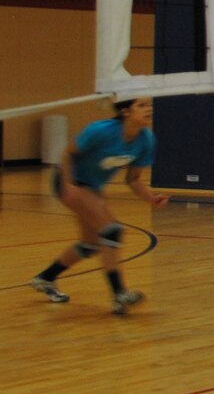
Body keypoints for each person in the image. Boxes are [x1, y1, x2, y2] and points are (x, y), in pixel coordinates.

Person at [30, 98, 167, 314]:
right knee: (111, 230)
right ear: (125, 111)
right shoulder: (101, 131)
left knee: (91, 244)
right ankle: (119, 294)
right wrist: (68, 184)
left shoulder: (146, 140)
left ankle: (45, 278)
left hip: (92, 187)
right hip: (70, 181)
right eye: (141, 105)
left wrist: (150, 197)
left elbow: (132, 179)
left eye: (149, 104)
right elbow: (67, 153)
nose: (149, 109)